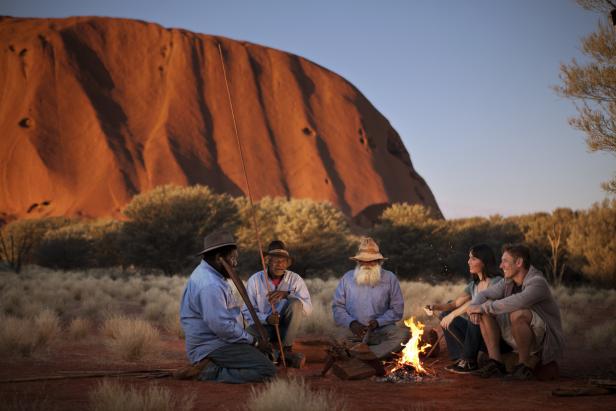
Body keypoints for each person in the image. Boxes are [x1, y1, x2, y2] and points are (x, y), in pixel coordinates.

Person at [179, 230, 276, 383]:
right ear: (219, 258)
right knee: (267, 371)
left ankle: (222, 364)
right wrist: (255, 342)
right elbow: (222, 327)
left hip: (222, 340)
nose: (235, 264)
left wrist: (252, 341)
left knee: (262, 347)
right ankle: (208, 371)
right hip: (211, 346)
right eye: (233, 258)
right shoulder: (210, 284)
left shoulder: (212, 274)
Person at [467, 244, 565, 380]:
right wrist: (475, 307)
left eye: (505, 261)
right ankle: (495, 363)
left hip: (541, 341)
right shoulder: (508, 281)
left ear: (519, 262)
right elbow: (484, 294)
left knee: (517, 313)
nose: (501, 266)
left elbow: (517, 301)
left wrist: (483, 307)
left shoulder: (537, 282)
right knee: (485, 309)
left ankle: (523, 366)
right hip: (515, 334)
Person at [427, 244, 502, 373]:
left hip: (493, 335)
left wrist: (453, 315)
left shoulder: (497, 282)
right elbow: (455, 304)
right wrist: (435, 307)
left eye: (473, 258)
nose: (468, 262)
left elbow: (479, 302)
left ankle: (469, 360)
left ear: (484, 261)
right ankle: (460, 356)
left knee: (475, 313)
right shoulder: (473, 285)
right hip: (477, 335)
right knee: (445, 313)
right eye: (469, 258)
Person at [332, 237, 409, 359]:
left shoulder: (390, 278)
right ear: (358, 261)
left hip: (381, 330)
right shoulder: (347, 278)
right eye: (363, 261)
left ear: (379, 261)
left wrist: (378, 322)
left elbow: (397, 310)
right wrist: (352, 323)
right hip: (354, 331)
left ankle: (364, 355)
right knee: (336, 337)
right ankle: (370, 354)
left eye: (371, 261)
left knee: (403, 335)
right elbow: (337, 307)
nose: (367, 264)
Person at [243, 240, 312, 368]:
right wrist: (267, 319)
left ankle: (285, 350)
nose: (280, 264)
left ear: (288, 263)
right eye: (275, 260)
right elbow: (247, 312)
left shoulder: (295, 279)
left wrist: (288, 295)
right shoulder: (255, 280)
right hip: (265, 328)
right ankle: (280, 356)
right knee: (247, 336)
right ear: (267, 261)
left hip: (286, 330)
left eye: (283, 261)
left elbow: (308, 310)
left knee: (296, 302)